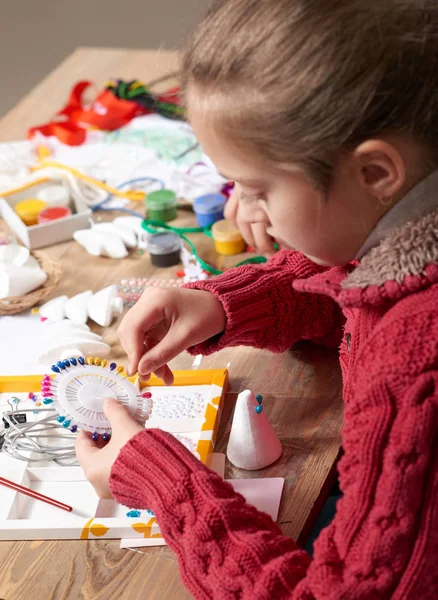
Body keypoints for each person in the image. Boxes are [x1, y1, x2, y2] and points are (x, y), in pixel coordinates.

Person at [76, 1, 438, 598]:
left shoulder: (416, 358)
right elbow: (366, 284)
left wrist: (164, 483)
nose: (242, 211)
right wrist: (228, 304)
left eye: (257, 187)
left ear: (375, 172)